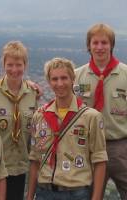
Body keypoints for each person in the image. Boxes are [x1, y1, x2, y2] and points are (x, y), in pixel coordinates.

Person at [27, 57, 108, 200]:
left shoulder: (91, 117)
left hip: (77, 192)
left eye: (64, 78)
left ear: (73, 79)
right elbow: (35, 160)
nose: (60, 83)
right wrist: (29, 196)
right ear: (49, 82)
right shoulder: (39, 116)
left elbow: (100, 161)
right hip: (44, 192)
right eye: (54, 79)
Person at [75, 23, 127, 199]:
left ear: (111, 45)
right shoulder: (77, 76)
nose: (99, 47)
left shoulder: (125, 75)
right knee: (88, 195)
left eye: (104, 43)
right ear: (88, 46)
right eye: (95, 43)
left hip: (120, 146)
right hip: (88, 147)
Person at [0, 41, 38, 200]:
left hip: (20, 165)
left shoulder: (32, 93)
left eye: (19, 65)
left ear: (25, 65)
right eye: (10, 64)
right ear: (3, 64)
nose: (14, 70)